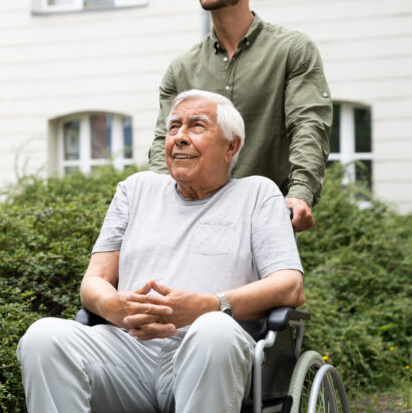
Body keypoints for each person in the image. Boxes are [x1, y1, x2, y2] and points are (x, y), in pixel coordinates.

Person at [17, 90, 304, 412]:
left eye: (196, 126)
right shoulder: (135, 189)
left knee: (214, 328)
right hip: (128, 351)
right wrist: (115, 307)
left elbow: (290, 285)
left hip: (210, 355)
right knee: (44, 336)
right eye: (174, 127)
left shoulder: (257, 194)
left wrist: (210, 305)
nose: (180, 137)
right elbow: (94, 280)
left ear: (231, 146)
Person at [148, 0, 333, 233]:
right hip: (190, 220)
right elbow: (163, 144)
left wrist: (300, 193)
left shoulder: (292, 50)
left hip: (263, 219)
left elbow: (309, 125)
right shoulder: (181, 68)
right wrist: (159, 200)